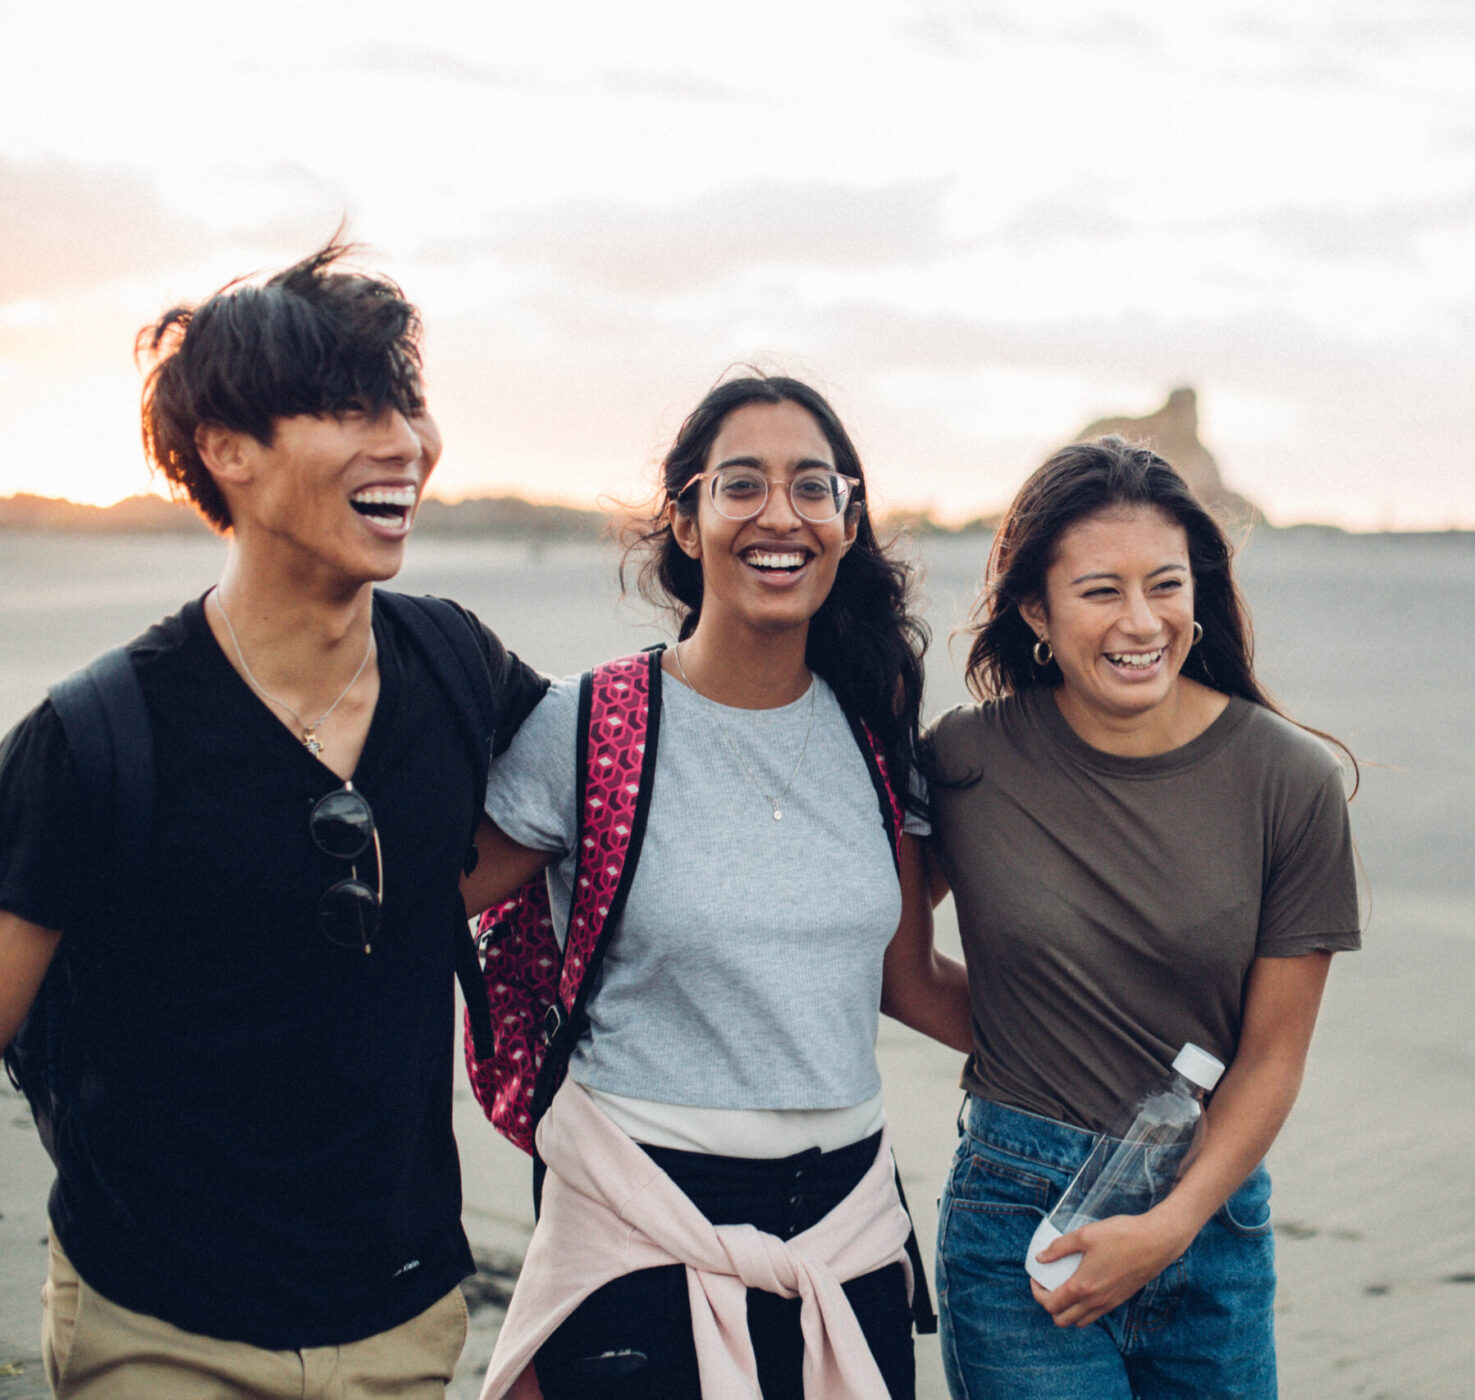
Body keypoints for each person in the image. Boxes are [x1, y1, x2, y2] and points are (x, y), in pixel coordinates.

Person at [0, 243, 547, 1399]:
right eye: (350, 407)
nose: (404, 438)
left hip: (401, 1322)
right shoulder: (95, 735)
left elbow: (596, 787)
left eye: (406, 403)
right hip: (157, 1327)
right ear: (228, 451)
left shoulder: (455, 666)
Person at [461, 373, 970, 1400]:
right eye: (742, 484)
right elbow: (417, 906)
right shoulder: (589, 725)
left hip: (850, 1236)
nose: (780, 513)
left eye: (812, 487)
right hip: (638, 1229)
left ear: (846, 522)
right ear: (686, 521)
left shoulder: (878, 738)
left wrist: (1118, 1054)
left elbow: (904, 978)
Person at [925, 436, 1361, 1399]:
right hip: (1015, 1219)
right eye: (1098, 591)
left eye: (1164, 585)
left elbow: (1273, 1057)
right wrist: (1033, 1043)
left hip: (1211, 1227)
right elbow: (888, 963)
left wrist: (1171, 1222)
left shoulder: (1285, 781)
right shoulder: (965, 762)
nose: (1140, 622)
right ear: (1034, 607)